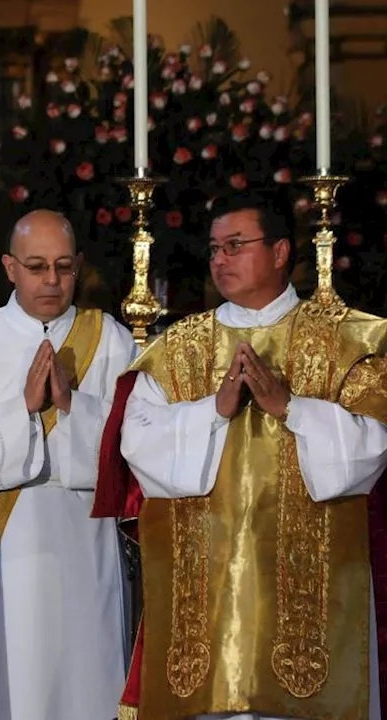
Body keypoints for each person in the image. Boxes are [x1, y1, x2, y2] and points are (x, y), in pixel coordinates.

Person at [93, 192, 387, 719]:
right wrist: (213, 409)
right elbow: (138, 445)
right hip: (208, 588)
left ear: (279, 252)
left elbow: (373, 446)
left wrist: (290, 407)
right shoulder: (178, 347)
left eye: (234, 246)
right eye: (213, 250)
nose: (220, 260)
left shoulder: (351, 340)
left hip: (310, 594)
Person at [0, 209, 135, 720]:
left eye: (64, 266)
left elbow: (137, 440)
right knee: (21, 683)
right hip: (11, 542)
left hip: (89, 538)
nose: (52, 280)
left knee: (92, 672)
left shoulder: (111, 340)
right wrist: (22, 411)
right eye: (37, 266)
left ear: (79, 266)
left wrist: (71, 407)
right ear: (10, 267)